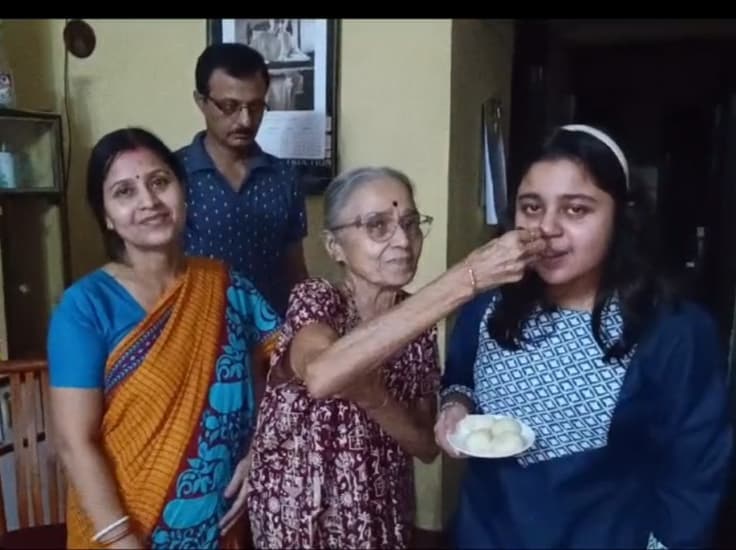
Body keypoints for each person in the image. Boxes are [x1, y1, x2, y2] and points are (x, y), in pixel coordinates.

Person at [434, 124, 734, 549]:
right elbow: (459, 379)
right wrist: (454, 406)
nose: (547, 228)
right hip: (485, 533)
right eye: (531, 207)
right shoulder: (489, 308)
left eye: (576, 210)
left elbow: (695, 471)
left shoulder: (674, 331)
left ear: (622, 217)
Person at [245, 166, 546, 549]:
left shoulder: (417, 325)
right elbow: (322, 375)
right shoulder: (317, 299)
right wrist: (468, 276)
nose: (403, 240)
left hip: (378, 510)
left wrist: (373, 395)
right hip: (299, 509)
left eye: (410, 224)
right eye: (377, 226)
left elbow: (424, 445)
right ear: (334, 246)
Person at [47, 127, 280, 549]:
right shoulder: (86, 306)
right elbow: (73, 441)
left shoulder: (226, 285)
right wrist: (122, 541)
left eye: (159, 182)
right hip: (120, 532)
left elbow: (286, 368)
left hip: (220, 529)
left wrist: (260, 450)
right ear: (106, 216)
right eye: (124, 192)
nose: (149, 202)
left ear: (182, 191)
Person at [177, 42, 308, 316]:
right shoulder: (171, 175)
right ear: (201, 101)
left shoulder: (284, 177)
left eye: (256, 106)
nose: (246, 120)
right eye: (229, 106)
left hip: (272, 333)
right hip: (196, 330)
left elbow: (295, 271)